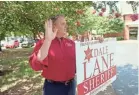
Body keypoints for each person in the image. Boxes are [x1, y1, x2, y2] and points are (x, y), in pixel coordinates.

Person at [29, 14, 103, 95]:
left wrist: (97, 43)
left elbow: (85, 58)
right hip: (53, 88)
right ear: (54, 26)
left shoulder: (71, 43)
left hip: (71, 86)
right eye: (62, 23)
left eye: (65, 23)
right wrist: (48, 40)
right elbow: (35, 66)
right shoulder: (44, 43)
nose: (66, 26)